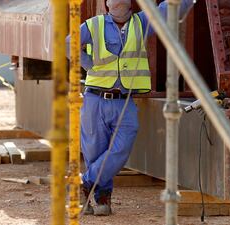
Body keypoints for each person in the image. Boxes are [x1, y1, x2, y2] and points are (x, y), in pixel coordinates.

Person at [66, 0, 193, 216]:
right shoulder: (94, 25)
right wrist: (89, 65)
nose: (118, 3)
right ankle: (100, 198)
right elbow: (70, 44)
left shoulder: (141, 22)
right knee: (94, 152)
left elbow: (171, 8)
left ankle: (83, 182)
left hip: (124, 101)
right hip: (95, 99)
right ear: (107, 4)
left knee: (122, 148)